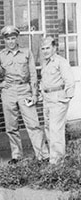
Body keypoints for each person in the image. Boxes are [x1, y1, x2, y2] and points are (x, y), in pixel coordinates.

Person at [0, 25, 49, 164]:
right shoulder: (0, 55)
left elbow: (33, 74)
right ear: (4, 40)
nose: (11, 41)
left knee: (33, 123)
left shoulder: (26, 52)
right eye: (8, 39)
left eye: (13, 38)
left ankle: (43, 155)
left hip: (24, 90)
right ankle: (16, 155)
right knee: (11, 126)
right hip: (8, 91)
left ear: (17, 38)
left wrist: (34, 94)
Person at [40, 36, 75, 164]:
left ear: (54, 48)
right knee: (48, 128)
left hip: (58, 98)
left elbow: (70, 82)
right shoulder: (45, 63)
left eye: (48, 48)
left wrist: (66, 98)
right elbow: (44, 81)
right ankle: (53, 158)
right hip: (47, 98)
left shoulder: (61, 62)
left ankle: (57, 161)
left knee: (56, 129)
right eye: (43, 48)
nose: (45, 51)